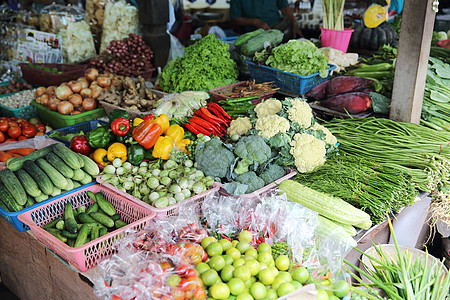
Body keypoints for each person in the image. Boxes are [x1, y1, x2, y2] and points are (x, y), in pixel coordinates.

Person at [230, 0, 303, 38]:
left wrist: (294, 22)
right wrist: (255, 22)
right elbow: (234, 18)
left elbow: (284, 7)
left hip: (275, 31)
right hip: (251, 35)